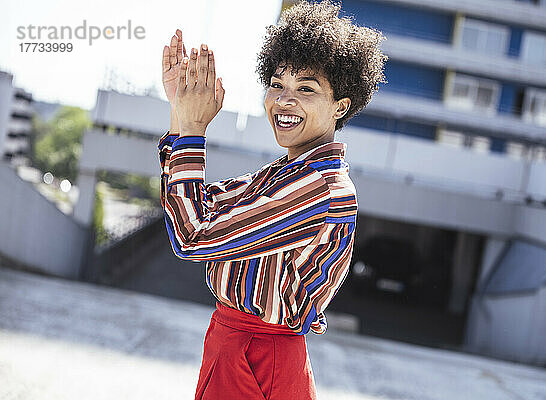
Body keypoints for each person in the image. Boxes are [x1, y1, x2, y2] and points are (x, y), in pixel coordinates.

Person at [158, 1, 387, 398]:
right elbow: (198, 203)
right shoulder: (287, 174)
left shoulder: (317, 185)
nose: (283, 100)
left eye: (305, 89)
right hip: (241, 347)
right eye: (277, 85)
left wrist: (193, 128)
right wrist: (180, 113)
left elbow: (192, 236)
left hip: (257, 357)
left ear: (340, 106)